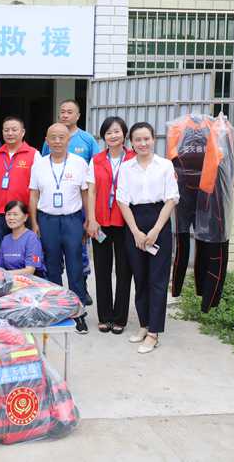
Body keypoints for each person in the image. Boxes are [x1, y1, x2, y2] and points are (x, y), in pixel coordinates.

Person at [116, 122, 179, 354]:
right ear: (131, 143)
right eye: (138, 140)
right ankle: (144, 324)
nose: (142, 143)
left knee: (157, 280)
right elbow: (122, 200)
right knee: (140, 277)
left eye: (146, 139)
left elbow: (172, 199)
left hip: (158, 219)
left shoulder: (165, 165)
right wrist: (135, 231)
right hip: (134, 221)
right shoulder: (126, 167)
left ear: (153, 139)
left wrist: (155, 231)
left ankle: (154, 332)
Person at [29, 123, 90, 334]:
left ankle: (78, 312)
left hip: (73, 220)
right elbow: (33, 195)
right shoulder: (39, 164)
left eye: (61, 137)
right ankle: (56, 309)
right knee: (51, 266)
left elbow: (85, 194)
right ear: (46, 140)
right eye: (53, 137)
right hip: (47, 220)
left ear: (68, 140)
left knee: (75, 267)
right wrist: (34, 223)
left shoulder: (79, 163)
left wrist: (88, 220)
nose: (57, 141)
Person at [42, 98, 97, 296]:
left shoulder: (87, 139)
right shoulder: (50, 139)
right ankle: (57, 300)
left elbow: (94, 173)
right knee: (52, 258)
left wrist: (90, 215)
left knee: (78, 256)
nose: (65, 115)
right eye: (62, 111)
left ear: (78, 115)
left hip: (76, 208)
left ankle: (81, 293)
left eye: (69, 112)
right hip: (51, 213)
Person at [85, 116, 136, 334]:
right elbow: (91, 191)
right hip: (101, 223)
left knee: (124, 271)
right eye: (108, 132)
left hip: (125, 222)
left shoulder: (134, 158)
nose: (113, 136)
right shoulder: (96, 160)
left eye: (117, 131)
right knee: (102, 270)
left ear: (124, 134)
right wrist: (91, 219)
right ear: (103, 136)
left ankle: (120, 318)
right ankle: (105, 317)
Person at [0, 116, 42, 249]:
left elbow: (39, 186)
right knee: (3, 249)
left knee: (26, 249)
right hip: (1, 212)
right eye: (6, 130)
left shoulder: (34, 154)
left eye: (14, 130)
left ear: (23, 132)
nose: (10, 133)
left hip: (25, 213)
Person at [0, 200, 45, 276]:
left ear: (25, 217)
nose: (11, 218)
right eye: (8, 214)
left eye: (15, 214)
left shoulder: (32, 238)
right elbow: (0, 268)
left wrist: (5, 274)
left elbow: (30, 271)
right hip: (10, 280)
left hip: (31, 280)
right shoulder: (5, 239)